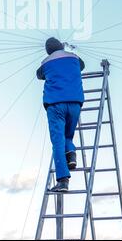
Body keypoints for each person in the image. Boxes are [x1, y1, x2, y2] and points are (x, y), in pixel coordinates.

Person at [36, 37, 85, 192]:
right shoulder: (75, 58)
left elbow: (39, 75)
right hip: (75, 103)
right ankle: (71, 155)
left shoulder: (46, 62)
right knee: (68, 136)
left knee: (57, 141)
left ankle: (63, 181)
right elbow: (81, 66)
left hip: (56, 104)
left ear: (48, 50)